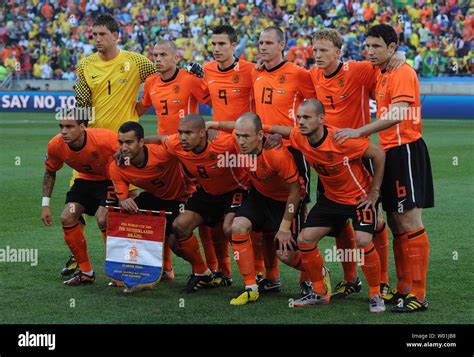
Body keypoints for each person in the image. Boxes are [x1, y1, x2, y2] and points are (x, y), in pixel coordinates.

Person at [334, 24, 434, 313]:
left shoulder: (403, 72)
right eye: (368, 46)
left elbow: (398, 114)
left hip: (406, 151)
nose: (370, 52)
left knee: (410, 223)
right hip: (389, 153)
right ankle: (403, 288)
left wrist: (358, 131)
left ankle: (419, 292)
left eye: (377, 46)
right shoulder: (382, 72)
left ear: (392, 48)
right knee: (396, 224)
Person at [266, 99, 387, 313]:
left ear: (321, 119)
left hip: (359, 198)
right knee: (304, 239)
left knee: (363, 240)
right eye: (299, 117)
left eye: (307, 117)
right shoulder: (299, 137)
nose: (301, 122)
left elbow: (378, 154)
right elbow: (279, 129)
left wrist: (374, 192)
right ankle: (320, 292)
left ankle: (376, 294)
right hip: (331, 199)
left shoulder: (341, 140)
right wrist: (265, 132)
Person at [309, 29, 405, 299]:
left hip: (360, 156)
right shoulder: (313, 75)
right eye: (315, 50)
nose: (317, 55)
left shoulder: (359, 70)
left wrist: (401, 55)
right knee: (340, 224)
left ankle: (383, 281)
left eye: (324, 50)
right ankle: (350, 279)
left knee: (372, 221)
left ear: (338, 52)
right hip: (329, 161)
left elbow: (386, 66)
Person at [63, 13, 156, 278]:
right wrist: (76, 133)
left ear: (116, 36)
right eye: (94, 35)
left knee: (129, 203)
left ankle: (133, 259)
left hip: (124, 147)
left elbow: (160, 79)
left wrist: (140, 108)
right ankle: (76, 259)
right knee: (74, 205)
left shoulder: (136, 61)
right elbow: (82, 103)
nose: (97, 39)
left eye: (102, 34)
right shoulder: (85, 64)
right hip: (92, 147)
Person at [135, 40, 229, 285]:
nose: (157, 59)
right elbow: (140, 108)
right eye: (155, 54)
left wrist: (214, 128)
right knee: (162, 208)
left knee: (202, 214)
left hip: (190, 153)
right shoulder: (151, 82)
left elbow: (213, 101)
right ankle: (166, 268)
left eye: (163, 54)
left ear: (176, 58)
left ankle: (217, 268)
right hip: (165, 155)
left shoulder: (188, 79)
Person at [207, 113, 306, 305]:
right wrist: (212, 124)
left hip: (285, 200)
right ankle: (251, 287)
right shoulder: (240, 142)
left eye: (246, 136)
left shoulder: (277, 154)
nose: (241, 141)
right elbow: (231, 127)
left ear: (260, 135)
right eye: (239, 136)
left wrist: (285, 227)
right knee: (237, 227)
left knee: (285, 254)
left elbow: (296, 191)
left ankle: (317, 273)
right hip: (260, 196)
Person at [145, 114, 249, 293]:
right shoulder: (177, 144)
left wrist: (216, 124)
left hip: (234, 191)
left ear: (203, 133)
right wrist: (137, 142)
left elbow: (245, 130)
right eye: (180, 133)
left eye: (188, 133)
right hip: (206, 194)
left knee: (229, 228)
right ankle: (202, 273)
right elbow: (161, 139)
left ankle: (252, 278)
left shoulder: (224, 143)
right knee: (180, 225)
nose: (183, 137)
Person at [251, 26, 316, 292]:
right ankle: (271, 277)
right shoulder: (254, 72)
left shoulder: (298, 74)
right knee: (266, 218)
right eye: (260, 42)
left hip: (292, 151)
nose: (263, 47)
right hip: (261, 151)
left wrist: (295, 134)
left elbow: (316, 109)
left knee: (298, 213)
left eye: (268, 42)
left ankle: (310, 278)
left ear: (282, 45)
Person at [202, 24, 265, 287]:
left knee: (252, 213)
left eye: (222, 44)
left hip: (246, 148)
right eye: (213, 44)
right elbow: (206, 98)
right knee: (216, 214)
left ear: (234, 45)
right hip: (220, 150)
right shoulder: (207, 70)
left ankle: (261, 272)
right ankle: (223, 271)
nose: (217, 49)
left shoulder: (251, 70)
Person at [108, 122, 192, 293]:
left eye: (129, 142)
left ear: (141, 142)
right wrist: (123, 200)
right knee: (127, 214)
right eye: (121, 142)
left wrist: (212, 128)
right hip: (157, 197)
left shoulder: (162, 152)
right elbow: (122, 195)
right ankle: (139, 275)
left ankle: (203, 271)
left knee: (177, 246)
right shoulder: (117, 166)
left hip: (182, 197)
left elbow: (184, 139)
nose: (123, 148)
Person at [41, 118, 118, 286]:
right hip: (85, 182)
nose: (63, 131)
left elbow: (130, 155)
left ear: (82, 127)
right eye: (61, 126)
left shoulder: (105, 138)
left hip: (110, 181)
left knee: (102, 218)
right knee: (67, 217)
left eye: (69, 126)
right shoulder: (55, 145)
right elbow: (50, 171)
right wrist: (45, 204)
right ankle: (86, 272)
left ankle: (117, 271)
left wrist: (129, 191)